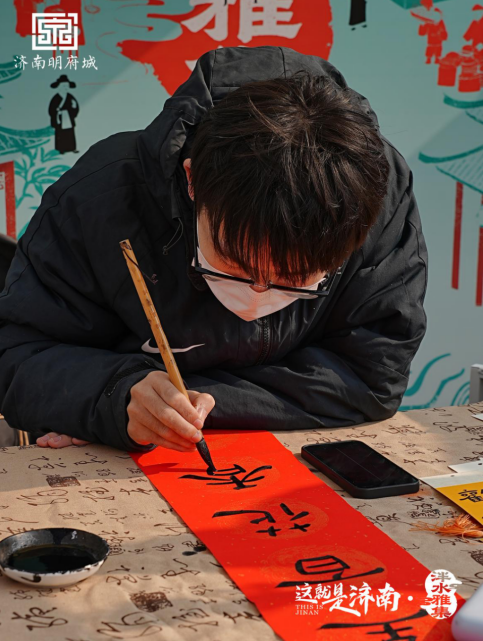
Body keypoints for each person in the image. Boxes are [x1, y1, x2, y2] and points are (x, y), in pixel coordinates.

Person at [0, 46, 427, 453]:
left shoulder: (371, 198)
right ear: (192, 181)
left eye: (294, 278)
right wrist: (115, 396)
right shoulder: (103, 197)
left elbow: (372, 374)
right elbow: (17, 356)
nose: (257, 294)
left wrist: (186, 405)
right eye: (234, 265)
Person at [48, 74, 79, 154]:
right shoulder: (56, 97)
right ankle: (61, 149)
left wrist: (73, 108)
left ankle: (72, 148)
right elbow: (51, 110)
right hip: (60, 118)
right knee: (60, 134)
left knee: (70, 133)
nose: (65, 88)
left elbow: (75, 106)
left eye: (66, 86)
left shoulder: (70, 96)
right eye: (63, 86)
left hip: (68, 117)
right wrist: (57, 112)